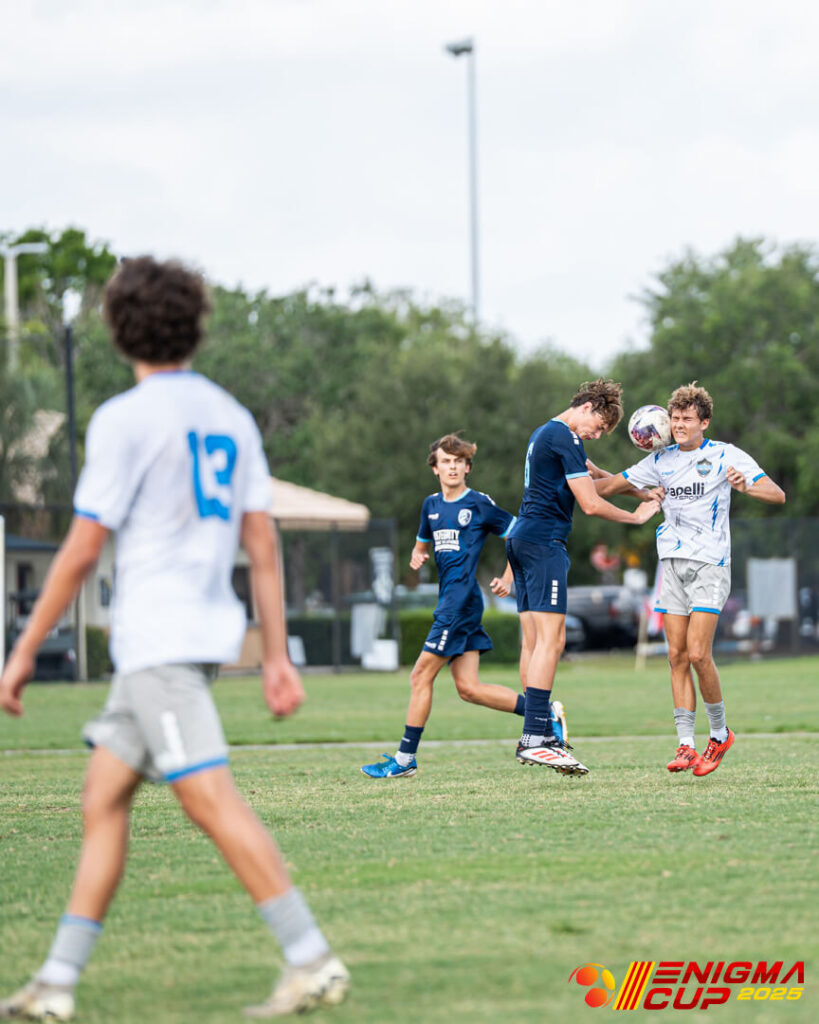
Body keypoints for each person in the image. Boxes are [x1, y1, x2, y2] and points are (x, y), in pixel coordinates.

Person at [0, 257, 349, 1020]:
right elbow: (262, 544)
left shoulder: (124, 418)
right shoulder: (231, 415)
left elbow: (82, 547)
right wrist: (276, 654)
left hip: (158, 640)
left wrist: (21, 650)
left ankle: (310, 957)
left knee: (207, 798)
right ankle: (56, 982)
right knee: (103, 799)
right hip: (185, 640)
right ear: (196, 326)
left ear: (118, 329)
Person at [593, 382, 785, 775]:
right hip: (672, 565)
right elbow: (608, 488)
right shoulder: (659, 459)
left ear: (704, 422)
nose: (679, 425)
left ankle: (719, 734)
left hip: (710, 564)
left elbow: (776, 494)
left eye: (687, 419)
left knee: (699, 654)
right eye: (675, 418)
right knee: (677, 656)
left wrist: (745, 486)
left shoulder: (725, 454)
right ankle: (685, 744)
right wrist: (576, 477)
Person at [506, 379, 661, 775]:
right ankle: (535, 738)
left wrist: (643, 493)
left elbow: (593, 482)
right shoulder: (566, 437)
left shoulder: (546, 433)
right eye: (600, 427)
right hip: (544, 543)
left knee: (535, 643)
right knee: (552, 642)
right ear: (588, 406)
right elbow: (590, 503)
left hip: (523, 540)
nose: (598, 435)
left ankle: (541, 732)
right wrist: (636, 517)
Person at [361, 433, 531, 779]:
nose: (452, 467)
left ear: (467, 467)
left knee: (420, 675)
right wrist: (417, 554)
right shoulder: (431, 506)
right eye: (446, 461)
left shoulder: (479, 504)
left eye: (458, 462)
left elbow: (520, 535)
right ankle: (542, 714)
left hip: (459, 603)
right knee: (468, 689)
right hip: (455, 602)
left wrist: (508, 578)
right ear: (435, 469)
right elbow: (423, 541)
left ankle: (405, 760)